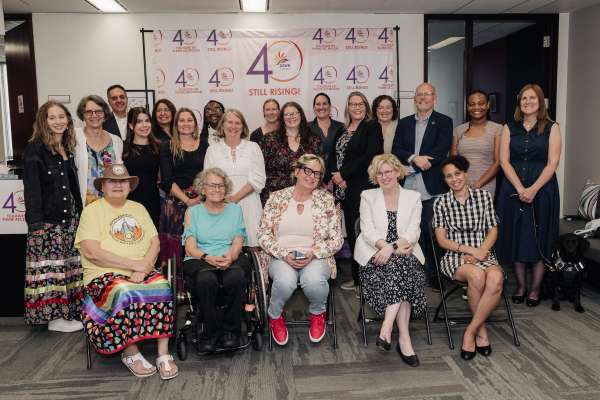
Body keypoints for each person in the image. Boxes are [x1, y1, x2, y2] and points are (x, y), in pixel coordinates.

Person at [75, 164, 178, 380]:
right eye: (112, 181)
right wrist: (134, 266)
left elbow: (154, 242)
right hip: (104, 274)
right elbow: (92, 252)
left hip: (142, 268)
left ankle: (163, 353)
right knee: (124, 292)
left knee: (163, 286)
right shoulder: (92, 211)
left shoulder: (138, 208)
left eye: (123, 182)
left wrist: (146, 266)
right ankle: (130, 352)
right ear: (102, 186)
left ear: (129, 186)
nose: (118, 185)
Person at [258, 154, 343, 346]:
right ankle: (275, 315)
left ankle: (318, 313)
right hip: (281, 255)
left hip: (316, 255)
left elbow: (336, 239)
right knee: (285, 281)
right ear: (296, 171)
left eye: (317, 174)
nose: (312, 176)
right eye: (308, 170)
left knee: (313, 281)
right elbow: (263, 234)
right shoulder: (276, 197)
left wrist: (314, 252)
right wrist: (283, 254)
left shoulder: (326, 200)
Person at [354, 154, 426, 366]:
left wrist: (392, 248)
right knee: (403, 269)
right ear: (375, 176)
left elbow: (413, 232)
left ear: (397, 172)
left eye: (388, 171)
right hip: (373, 255)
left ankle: (387, 328)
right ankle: (404, 339)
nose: (385, 176)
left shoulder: (413, 197)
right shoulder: (367, 195)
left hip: (404, 251)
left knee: (401, 266)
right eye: (380, 173)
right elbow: (367, 231)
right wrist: (386, 248)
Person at [496, 84, 561, 307]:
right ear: (519, 102)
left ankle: (535, 289)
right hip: (512, 189)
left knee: (538, 236)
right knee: (516, 235)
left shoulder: (552, 127)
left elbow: (553, 163)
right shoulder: (508, 127)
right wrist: (520, 188)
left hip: (543, 189)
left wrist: (533, 189)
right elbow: (504, 161)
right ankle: (521, 286)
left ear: (540, 101)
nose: (528, 102)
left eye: (532, 98)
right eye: (524, 98)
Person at [433, 155, 504, 360]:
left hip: (484, 251)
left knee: (496, 279)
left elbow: (493, 230)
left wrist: (481, 251)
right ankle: (481, 332)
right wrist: (471, 252)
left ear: (465, 173)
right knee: (477, 277)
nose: (454, 179)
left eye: (457, 173)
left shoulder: (483, 197)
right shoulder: (441, 202)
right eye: (448, 176)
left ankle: (470, 331)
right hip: (455, 256)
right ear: (445, 180)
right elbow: (442, 240)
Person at [23, 101, 84, 332]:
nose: (58, 121)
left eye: (62, 117)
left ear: (68, 120)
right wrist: (36, 225)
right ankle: (55, 320)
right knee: (51, 271)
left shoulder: (65, 147)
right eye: (52, 117)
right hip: (48, 222)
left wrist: (81, 215)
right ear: (43, 121)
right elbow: (32, 190)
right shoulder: (35, 149)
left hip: (69, 219)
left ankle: (68, 314)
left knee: (68, 268)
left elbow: (72, 186)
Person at [392, 82, 453, 289]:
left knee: (432, 232)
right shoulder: (405, 122)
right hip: (406, 188)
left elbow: (441, 151)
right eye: (419, 95)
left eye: (427, 94)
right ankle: (413, 273)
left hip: (431, 187)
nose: (423, 98)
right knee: (409, 231)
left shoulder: (444, 121)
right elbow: (396, 149)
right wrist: (414, 158)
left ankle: (435, 275)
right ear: (414, 99)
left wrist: (414, 167)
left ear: (434, 97)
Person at [182, 168, 249, 353]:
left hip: (229, 255)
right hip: (200, 257)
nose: (216, 189)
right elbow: (190, 247)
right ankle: (210, 333)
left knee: (235, 277)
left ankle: (231, 332)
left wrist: (231, 256)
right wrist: (207, 257)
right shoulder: (193, 212)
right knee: (206, 280)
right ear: (202, 189)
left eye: (220, 185)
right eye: (211, 185)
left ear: (226, 188)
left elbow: (238, 239)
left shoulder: (235, 210)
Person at [327, 91, 383, 293]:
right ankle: (358, 279)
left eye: (360, 104)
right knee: (351, 234)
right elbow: (333, 154)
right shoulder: (342, 129)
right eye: (352, 104)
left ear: (366, 107)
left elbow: (370, 156)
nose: (356, 107)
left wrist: (344, 175)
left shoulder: (372, 127)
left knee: (364, 234)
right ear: (347, 107)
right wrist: (335, 175)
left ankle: (370, 282)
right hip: (343, 190)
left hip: (361, 188)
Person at [204, 109, 265, 246]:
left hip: (249, 204)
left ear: (243, 127)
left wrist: (235, 198)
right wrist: (224, 200)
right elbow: (208, 180)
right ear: (222, 125)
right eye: (230, 122)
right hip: (221, 204)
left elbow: (258, 178)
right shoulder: (212, 150)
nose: (233, 126)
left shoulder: (253, 147)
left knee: (252, 245)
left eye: (238, 123)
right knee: (225, 246)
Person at [158, 107, 208, 266]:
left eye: (189, 120)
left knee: (201, 244)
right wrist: (187, 200)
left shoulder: (205, 145)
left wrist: (200, 197)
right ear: (176, 124)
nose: (186, 123)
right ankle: (177, 286)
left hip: (202, 202)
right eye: (181, 120)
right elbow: (166, 180)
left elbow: (209, 174)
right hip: (176, 204)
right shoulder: (167, 146)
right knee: (176, 250)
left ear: (195, 123)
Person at [260, 101, 322, 204]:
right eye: (287, 114)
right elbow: (261, 170)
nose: (291, 117)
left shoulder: (313, 139)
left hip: (307, 196)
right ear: (282, 118)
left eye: (294, 113)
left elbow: (319, 169)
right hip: (276, 197)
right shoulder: (268, 140)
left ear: (300, 115)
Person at [74, 95, 124, 206]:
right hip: (84, 204)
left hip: (111, 203)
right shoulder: (74, 137)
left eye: (98, 111)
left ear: (105, 114)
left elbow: (119, 174)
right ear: (82, 115)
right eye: (88, 112)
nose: (94, 115)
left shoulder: (116, 141)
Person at [451, 90, 502, 197]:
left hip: (485, 186)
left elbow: (498, 162)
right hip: (460, 185)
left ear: (488, 105)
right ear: (468, 107)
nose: (476, 107)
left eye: (481, 103)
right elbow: (453, 161)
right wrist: (461, 184)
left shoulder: (497, 129)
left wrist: (477, 185)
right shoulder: (459, 130)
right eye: (472, 104)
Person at [123, 107, 161, 228]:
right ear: (131, 126)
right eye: (139, 121)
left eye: (147, 120)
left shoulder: (159, 147)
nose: (144, 125)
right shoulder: (123, 148)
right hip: (129, 201)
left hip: (153, 200)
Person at [308, 92, 344, 162]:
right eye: (318, 104)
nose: (321, 107)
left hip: (337, 171)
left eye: (324, 104)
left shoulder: (341, 127)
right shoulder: (306, 128)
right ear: (314, 108)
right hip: (314, 171)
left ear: (330, 106)